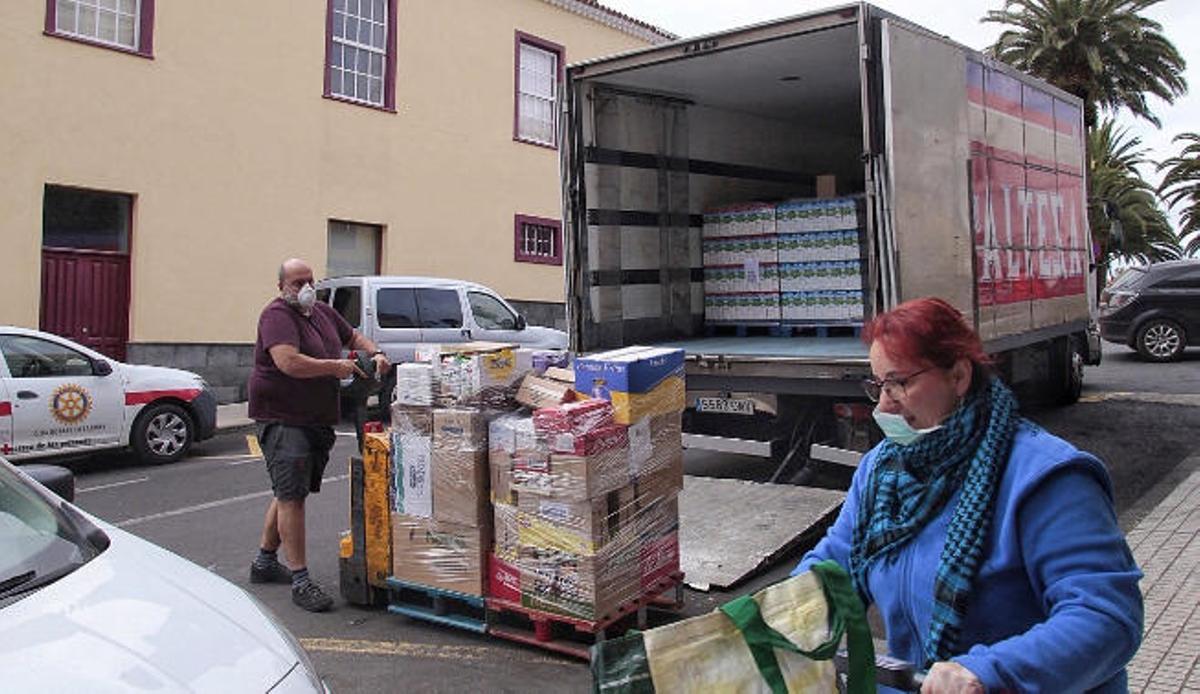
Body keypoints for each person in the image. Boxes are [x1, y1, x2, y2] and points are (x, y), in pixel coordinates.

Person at [793, 297, 1142, 693]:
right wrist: (773, 618)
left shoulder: (1047, 477)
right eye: (878, 386)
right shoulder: (881, 471)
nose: (884, 406)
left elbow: (1106, 617)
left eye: (899, 383)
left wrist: (988, 672)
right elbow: (836, 562)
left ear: (958, 376)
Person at [248, 258, 390, 612]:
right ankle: (301, 580)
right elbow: (288, 362)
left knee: (289, 492)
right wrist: (334, 366)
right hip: (283, 417)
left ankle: (264, 562)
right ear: (281, 287)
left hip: (315, 418)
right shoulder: (276, 316)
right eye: (298, 283)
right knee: (291, 497)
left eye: (310, 280)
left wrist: (375, 352)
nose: (306, 288)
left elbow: (352, 336)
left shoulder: (323, 313)